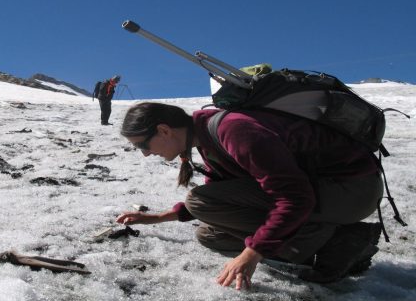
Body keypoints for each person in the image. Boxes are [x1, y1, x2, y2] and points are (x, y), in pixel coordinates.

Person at [116, 102, 383, 290]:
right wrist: (158, 217)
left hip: (352, 190)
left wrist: (253, 253)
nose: (145, 153)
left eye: (142, 144)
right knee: (209, 235)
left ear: (164, 130)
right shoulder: (206, 137)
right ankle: (314, 244)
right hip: (324, 191)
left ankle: (340, 241)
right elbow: (223, 192)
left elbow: (295, 198)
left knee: (200, 202)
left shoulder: (234, 130)